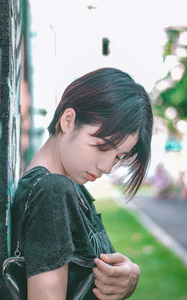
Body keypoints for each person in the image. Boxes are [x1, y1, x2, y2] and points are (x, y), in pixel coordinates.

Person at [11, 67, 153, 300]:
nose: (108, 167)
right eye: (102, 146)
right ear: (68, 120)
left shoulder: (74, 190)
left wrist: (130, 274)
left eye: (119, 156)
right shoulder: (51, 191)